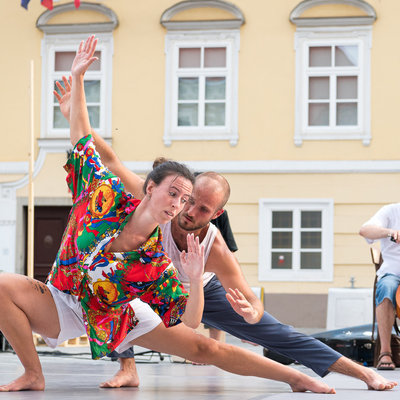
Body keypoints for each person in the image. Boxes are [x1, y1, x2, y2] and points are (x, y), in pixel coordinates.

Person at [0, 35, 342, 394]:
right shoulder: (101, 194)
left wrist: (195, 280)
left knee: (205, 348)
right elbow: (82, 140)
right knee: (3, 285)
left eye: (185, 200)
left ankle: (295, 376)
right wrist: (80, 79)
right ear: (150, 188)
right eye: (174, 193)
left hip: (120, 314)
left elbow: (192, 322)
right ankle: (33, 374)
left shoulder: (154, 262)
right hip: (66, 300)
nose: (179, 205)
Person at [53, 61, 397, 392]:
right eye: (187, 200)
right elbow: (108, 159)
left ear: (216, 215)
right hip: (147, 281)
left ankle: (362, 372)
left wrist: (252, 311)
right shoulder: (158, 198)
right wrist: (75, 118)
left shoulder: (213, 247)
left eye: (202, 209)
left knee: (277, 333)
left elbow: (250, 300)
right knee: (111, 282)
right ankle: (128, 368)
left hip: (197, 290)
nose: (186, 211)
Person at [359, 203, 400, 370]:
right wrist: (390, 232)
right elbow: (365, 230)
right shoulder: (392, 211)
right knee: (386, 287)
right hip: (393, 271)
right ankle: (385, 352)